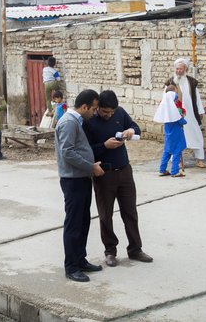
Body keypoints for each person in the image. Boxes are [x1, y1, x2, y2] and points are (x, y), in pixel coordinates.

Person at [83, 90, 153, 267]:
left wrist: (130, 130)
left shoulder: (120, 113)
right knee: (106, 214)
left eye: (112, 112)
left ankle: (135, 249)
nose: (109, 115)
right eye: (105, 112)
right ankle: (110, 251)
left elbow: (135, 128)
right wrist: (104, 146)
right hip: (104, 174)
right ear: (97, 107)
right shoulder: (89, 121)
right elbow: (86, 150)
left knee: (130, 212)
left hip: (124, 171)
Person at [55, 89, 104, 283]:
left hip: (81, 177)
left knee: (83, 221)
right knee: (74, 223)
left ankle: (80, 259)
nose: (94, 113)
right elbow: (67, 151)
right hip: (73, 179)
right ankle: (71, 266)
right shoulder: (68, 122)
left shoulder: (77, 121)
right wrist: (89, 166)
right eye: (93, 109)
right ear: (83, 107)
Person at [165, 58, 206, 168]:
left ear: (186, 70)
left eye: (180, 69)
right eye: (177, 69)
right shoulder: (170, 82)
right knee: (176, 138)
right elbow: (165, 98)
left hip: (191, 115)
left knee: (196, 135)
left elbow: (197, 98)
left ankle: (199, 159)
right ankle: (177, 161)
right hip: (176, 116)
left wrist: (200, 111)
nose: (178, 71)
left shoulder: (192, 82)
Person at [154, 91, 187, 177]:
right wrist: (182, 116)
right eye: (175, 100)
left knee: (166, 152)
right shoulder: (174, 112)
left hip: (168, 136)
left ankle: (162, 170)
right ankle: (174, 171)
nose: (176, 102)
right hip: (176, 136)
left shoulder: (165, 111)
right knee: (176, 152)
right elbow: (183, 122)